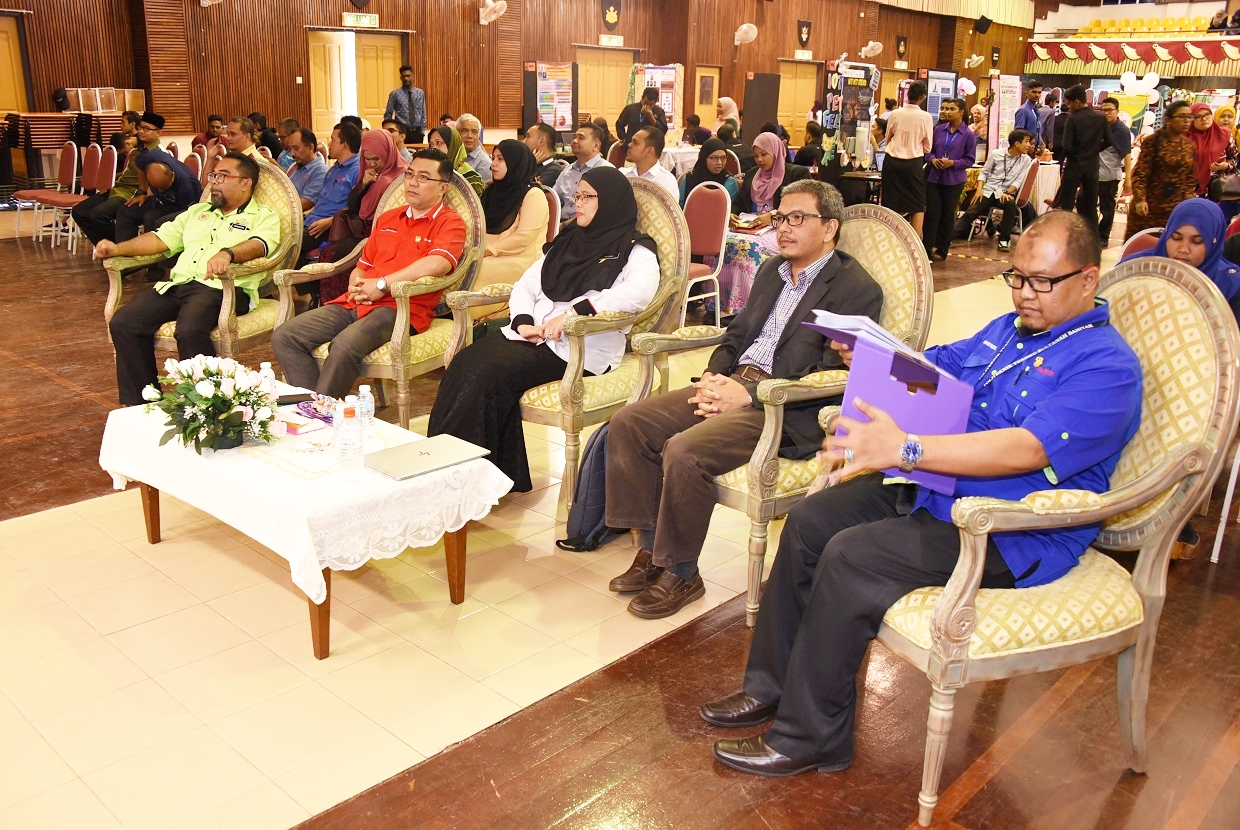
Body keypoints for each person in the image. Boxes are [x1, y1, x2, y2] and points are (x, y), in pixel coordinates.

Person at [701, 210, 1143, 778]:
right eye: (1017, 277)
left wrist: (905, 448)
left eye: (1042, 282)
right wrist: (873, 355)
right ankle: (772, 687)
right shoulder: (1007, 330)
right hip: (937, 489)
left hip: (1007, 526)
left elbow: (1027, 449)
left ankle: (811, 738)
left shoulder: (1107, 367)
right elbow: (937, 367)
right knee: (811, 521)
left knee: (852, 556)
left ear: (1087, 278)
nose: (1024, 294)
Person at [603, 180, 883, 619]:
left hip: (784, 407)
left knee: (685, 450)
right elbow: (736, 335)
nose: (783, 227)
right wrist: (714, 378)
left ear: (829, 228)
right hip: (735, 382)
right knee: (630, 423)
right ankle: (653, 551)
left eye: (797, 218)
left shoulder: (854, 288)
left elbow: (833, 372)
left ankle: (681, 571)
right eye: (780, 217)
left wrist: (748, 396)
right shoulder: (771, 271)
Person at [427, 167, 659, 492]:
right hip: (534, 337)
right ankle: (466, 473)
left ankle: (459, 484)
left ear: (609, 202)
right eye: (577, 196)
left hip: (581, 347)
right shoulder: (569, 241)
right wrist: (523, 321)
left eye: (587, 197)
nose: (578, 203)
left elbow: (638, 294)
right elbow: (526, 285)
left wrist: (576, 313)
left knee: (488, 373)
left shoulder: (635, 249)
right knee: (466, 362)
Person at [272, 149, 465, 399]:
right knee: (286, 336)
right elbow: (362, 265)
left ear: (443, 188)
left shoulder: (450, 222)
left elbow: (438, 263)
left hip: (401, 308)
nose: (413, 182)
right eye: (409, 174)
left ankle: (323, 412)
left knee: (344, 344)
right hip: (356, 301)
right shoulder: (388, 218)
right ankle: (311, 406)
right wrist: (357, 285)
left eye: (424, 177)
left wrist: (382, 285)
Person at [100, 153, 282, 405]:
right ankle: (142, 404)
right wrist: (118, 248)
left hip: (224, 288)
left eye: (222, 176)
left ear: (245, 182)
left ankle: (205, 405)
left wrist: (228, 253)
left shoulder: (263, 216)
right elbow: (159, 239)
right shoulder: (197, 212)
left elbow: (260, 245)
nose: (213, 182)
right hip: (179, 285)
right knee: (124, 322)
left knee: (189, 328)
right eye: (213, 176)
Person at [316, 129, 409, 305]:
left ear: (388, 153)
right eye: (367, 158)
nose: (372, 163)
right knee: (328, 252)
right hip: (363, 229)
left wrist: (381, 185)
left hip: (386, 233)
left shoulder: (402, 176)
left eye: (376, 158)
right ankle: (331, 302)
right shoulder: (369, 173)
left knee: (336, 254)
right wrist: (364, 184)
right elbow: (353, 206)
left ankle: (349, 301)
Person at [1121, 198, 1240, 318]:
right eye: (1176, 238)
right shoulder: (1136, 268)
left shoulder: (1231, 285)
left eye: (1197, 241)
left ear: (1214, 243)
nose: (1183, 249)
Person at [471, 140, 550, 320]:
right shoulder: (491, 191)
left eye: (500, 159)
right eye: (493, 158)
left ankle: (472, 322)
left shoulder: (533, 194)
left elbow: (523, 238)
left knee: (477, 270)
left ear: (516, 162)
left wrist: (488, 251)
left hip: (521, 257)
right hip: (487, 252)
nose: (493, 164)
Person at [72, 110, 164, 244]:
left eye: (147, 129)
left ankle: (116, 248)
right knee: (79, 211)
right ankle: (113, 247)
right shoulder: (138, 150)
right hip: (117, 188)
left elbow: (158, 182)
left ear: (158, 132)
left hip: (130, 193)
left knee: (97, 215)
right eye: (140, 127)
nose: (141, 131)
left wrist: (145, 194)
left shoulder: (159, 153)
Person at [954, 129, 1035, 253]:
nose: (1029, 145)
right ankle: (948, 238)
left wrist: (1008, 192)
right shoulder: (996, 154)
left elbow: (1019, 181)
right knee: (972, 211)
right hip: (989, 190)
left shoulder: (1026, 160)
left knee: (1010, 205)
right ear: (1017, 143)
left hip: (1005, 193)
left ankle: (1004, 239)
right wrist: (979, 190)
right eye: (1027, 142)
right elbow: (984, 173)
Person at [1127, 100, 1196, 239]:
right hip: (1149, 207)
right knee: (1141, 244)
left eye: (1189, 117)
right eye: (1182, 116)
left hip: (1174, 208)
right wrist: (1140, 199)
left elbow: (1189, 179)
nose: (1187, 121)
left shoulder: (1189, 146)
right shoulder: (1153, 142)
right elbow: (1141, 173)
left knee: (1168, 244)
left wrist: (1187, 204)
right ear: (1168, 119)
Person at [924, 97, 978, 261]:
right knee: (931, 214)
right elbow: (928, 152)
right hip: (934, 178)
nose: (947, 112)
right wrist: (933, 160)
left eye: (951, 109)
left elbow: (970, 159)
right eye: (945, 109)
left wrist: (952, 163)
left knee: (947, 215)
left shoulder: (968, 134)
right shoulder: (939, 130)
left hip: (954, 180)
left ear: (961, 112)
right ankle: (926, 248)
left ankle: (942, 248)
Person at [300, 121, 362, 263]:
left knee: (289, 244)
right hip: (311, 221)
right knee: (282, 234)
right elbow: (322, 201)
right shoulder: (333, 170)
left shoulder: (357, 171)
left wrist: (330, 222)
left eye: (333, 140)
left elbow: (356, 209)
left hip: (328, 227)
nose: (329, 144)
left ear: (344, 144)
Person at [1053, 85, 1112, 231]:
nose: (1068, 106)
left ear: (1077, 102)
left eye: (1069, 103)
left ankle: (1065, 236)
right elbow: (1109, 141)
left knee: (1067, 205)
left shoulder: (1072, 120)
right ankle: (1094, 238)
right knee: (1091, 206)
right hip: (1092, 167)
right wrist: (1094, 151)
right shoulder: (1101, 118)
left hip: (1074, 166)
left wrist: (1075, 155)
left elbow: (1066, 147)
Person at [114, 150, 203, 243]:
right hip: (158, 199)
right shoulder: (146, 158)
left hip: (176, 206)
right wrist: (144, 193)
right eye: (157, 187)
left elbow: (189, 212)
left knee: (151, 218)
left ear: (172, 176)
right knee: (125, 211)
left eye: (164, 187)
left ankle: (148, 250)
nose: (160, 190)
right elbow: (139, 165)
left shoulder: (187, 185)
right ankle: (125, 249)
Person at [883, 81, 934, 235]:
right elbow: (928, 147)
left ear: (907, 95)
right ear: (923, 97)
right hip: (913, 164)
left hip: (892, 161)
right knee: (918, 204)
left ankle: (890, 238)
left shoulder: (895, 114)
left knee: (890, 202)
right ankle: (915, 244)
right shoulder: (926, 116)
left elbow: (887, 138)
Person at [734, 132, 810, 221]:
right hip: (751, 225)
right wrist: (731, 213)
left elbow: (802, 205)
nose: (759, 159)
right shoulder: (751, 174)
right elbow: (739, 203)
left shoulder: (796, 174)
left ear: (775, 152)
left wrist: (774, 216)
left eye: (763, 154)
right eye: (756, 156)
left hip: (784, 225)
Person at [553, 122, 613, 223]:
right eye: (574, 137)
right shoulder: (567, 170)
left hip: (589, 226)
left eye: (581, 138)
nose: (574, 141)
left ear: (596, 145)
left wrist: (564, 226)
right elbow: (554, 200)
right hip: (561, 223)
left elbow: (605, 211)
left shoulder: (607, 171)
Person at [1097, 98, 1133, 247]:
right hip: (1094, 174)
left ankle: (1103, 236)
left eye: (1109, 110)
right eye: (1103, 110)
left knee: (1107, 208)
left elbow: (1127, 155)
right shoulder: (1100, 126)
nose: (1106, 113)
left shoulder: (1121, 130)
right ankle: (1091, 232)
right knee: (1083, 201)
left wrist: (1128, 179)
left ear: (1117, 111)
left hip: (1110, 176)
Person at [621, 126, 680, 203]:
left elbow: (665, 211)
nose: (629, 145)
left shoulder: (666, 181)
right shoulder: (622, 174)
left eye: (635, 143)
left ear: (649, 151)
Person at [1187, 103, 1232, 198]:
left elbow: (1234, 158)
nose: (1204, 119)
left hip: (1217, 187)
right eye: (1198, 116)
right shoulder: (1184, 138)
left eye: (1207, 114)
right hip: (1189, 189)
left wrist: (1225, 165)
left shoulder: (1225, 135)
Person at [679, 138, 739, 207]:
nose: (719, 163)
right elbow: (679, 206)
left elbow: (721, 209)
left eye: (723, 158)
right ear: (704, 158)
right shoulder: (689, 178)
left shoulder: (729, 182)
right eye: (714, 158)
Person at [428, 124, 485, 196]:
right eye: (431, 145)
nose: (434, 148)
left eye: (439, 143)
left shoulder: (469, 177)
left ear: (452, 145)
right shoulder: (431, 171)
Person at [285, 127, 327, 213]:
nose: (292, 153)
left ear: (311, 147)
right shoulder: (299, 166)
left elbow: (305, 203)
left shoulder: (320, 171)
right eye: (290, 149)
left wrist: (277, 208)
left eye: (296, 148)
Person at [384, 64, 427, 143]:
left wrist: (422, 131)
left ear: (413, 77)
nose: (406, 78)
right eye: (403, 76)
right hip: (401, 132)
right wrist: (390, 131)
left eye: (408, 76)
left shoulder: (420, 93)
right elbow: (388, 114)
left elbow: (423, 113)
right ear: (401, 78)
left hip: (417, 132)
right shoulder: (395, 94)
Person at [524, 122, 567, 188]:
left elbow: (530, 189)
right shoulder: (532, 164)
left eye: (528, 137)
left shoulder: (554, 170)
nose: (524, 141)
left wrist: (531, 166)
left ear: (541, 141)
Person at [456, 113, 492, 184]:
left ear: (479, 136)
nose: (469, 136)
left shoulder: (485, 163)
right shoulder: (454, 155)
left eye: (474, 132)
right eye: (465, 131)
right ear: (457, 133)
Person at [1015, 80, 1044, 147]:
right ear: (1027, 93)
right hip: (1026, 148)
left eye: (1039, 92)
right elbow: (1018, 133)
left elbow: (1036, 130)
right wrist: (1028, 144)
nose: (1037, 95)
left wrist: (1041, 143)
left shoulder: (1035, 110)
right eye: (1034, 92)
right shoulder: (1023, 110)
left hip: (1034, 147)